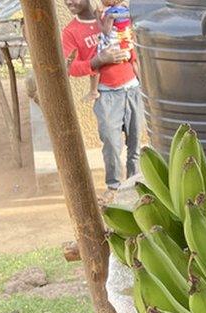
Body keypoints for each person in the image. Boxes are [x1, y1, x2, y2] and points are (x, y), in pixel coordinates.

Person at [62, 0, 143, 191]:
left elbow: (132, 44)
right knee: (112, 147)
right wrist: (97, 61)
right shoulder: (71, 32)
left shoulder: (114, 14)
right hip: (106, 96)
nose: (68, 1)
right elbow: (68, 68)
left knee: (136, 145)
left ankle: (137, 186)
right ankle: (114, 188)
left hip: (132, 89)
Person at [84, 0, 135, 102]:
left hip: (114, 45)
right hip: (125, 43)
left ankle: (93, 91)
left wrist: (98, 18)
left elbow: (106, 31)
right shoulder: (126, 9)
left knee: (95, 62)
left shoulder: (111, 14)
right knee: (135, 61)